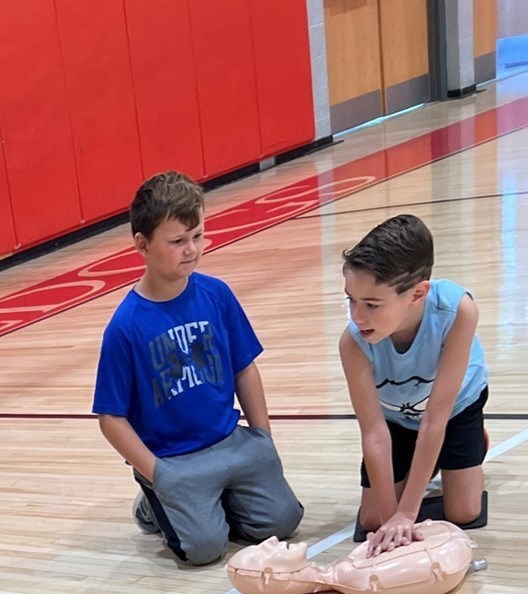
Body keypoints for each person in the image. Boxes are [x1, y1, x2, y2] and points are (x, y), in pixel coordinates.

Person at [93, 171, 302, 567]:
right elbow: (110, 418)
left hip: (230, 442)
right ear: (142, 245)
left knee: (282, 522)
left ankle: (215, 495)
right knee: (204, 550)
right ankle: (154, 503)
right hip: (174, 459)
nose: (191, 249)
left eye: (198, 236)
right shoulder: (125, 326)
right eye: (177, 241)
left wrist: (262, 437)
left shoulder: (217, 294)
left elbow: (245, 368)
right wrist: (156, 473)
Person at [340, 213, 489, 553]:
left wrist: (408, 512)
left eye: (372, 305)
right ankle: (425, 465)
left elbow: (436, 418)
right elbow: (374, 433)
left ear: (418, 293)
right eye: (351, 299)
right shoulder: (352, 343)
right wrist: (392, 519)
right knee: (374, 520)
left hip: (453, 412)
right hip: (396, 420)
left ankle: (472, 443)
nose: (357, 316)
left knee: (464, 511)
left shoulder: (458, 311)